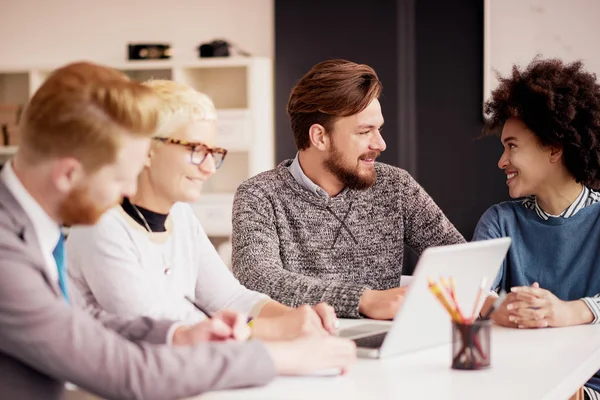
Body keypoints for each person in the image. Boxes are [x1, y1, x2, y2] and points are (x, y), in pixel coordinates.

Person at [0, 61, 356, 400]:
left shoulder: (29, 229)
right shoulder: (7, 255)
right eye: (119, 180)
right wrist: (280, 358)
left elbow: (77, 325)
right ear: (69, 174)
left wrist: (181, 335)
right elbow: (130, 373)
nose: (127, 193)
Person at [66, 79, 337, 340]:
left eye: (213, 152)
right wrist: (276, 330)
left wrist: (298, 317)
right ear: (146, 148)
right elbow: (159, 332)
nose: (208, 167)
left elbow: (228, 298)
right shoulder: (99, 225)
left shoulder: (180, 214)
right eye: (195, 149)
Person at [231, 59, 465, 320]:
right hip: (307, 345)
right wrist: (364, 300)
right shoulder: (259, 195)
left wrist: (493, 302)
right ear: (320, 137)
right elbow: (258, 277)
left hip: (386, 342)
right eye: (365, 131)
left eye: (379, 129)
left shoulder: (396, 185)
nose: (381, 144)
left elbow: (461, 260)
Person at [473, 58, 600, 399]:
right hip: (518, 380)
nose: (502, 161)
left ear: (554, 149)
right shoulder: (499, 221)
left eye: (512, 146)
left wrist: (568, 311)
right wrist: (504, 309)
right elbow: (473, 291)